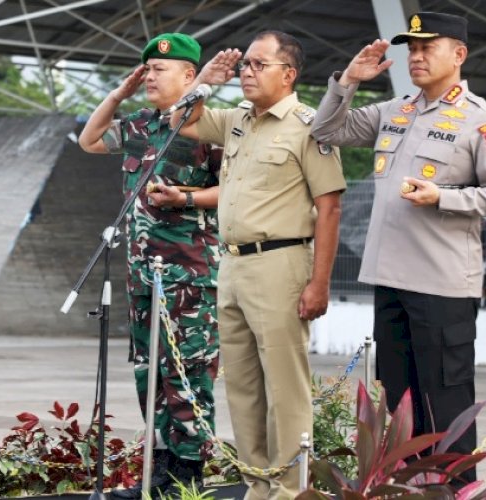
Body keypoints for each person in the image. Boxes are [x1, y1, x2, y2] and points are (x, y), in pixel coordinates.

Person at [311, 12, 486, 484]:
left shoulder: (479, 120)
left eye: (429, 47)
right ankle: (405, 490)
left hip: (442, 285)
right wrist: (348, 80)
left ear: (459, 55)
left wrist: (442, 197)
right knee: (400, 404)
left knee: (444, 406)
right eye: (412, 48)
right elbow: (325, 131)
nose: (417, 57)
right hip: (391, 281)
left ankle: (452, 493)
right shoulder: (395, 110)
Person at [173, 31, 346, 499]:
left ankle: (289, 491)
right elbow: (180, 120)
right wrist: (206, 80)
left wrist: (320, 282)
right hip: (232, 267)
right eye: (245, 64)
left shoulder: (312, 126)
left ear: (288, 74)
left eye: (258, 64)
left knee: (285, 390)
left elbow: (329, 208)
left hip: (281, 264)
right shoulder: (236, 121)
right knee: (244, 389)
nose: (246, 71)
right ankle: (257, 487)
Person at [78, 33, 221, 497]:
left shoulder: (211, 127)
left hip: (190, 275)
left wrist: (186, 197)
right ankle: (160, 470)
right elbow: (90, 140)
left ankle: (190, 474)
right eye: (147, 69)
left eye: (162, 69)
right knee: (149, 373)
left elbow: (237, 188)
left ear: (188, 75)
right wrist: (118, 94)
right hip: (141, 274)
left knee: (189, 373)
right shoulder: (139, 125)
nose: (151, 76)